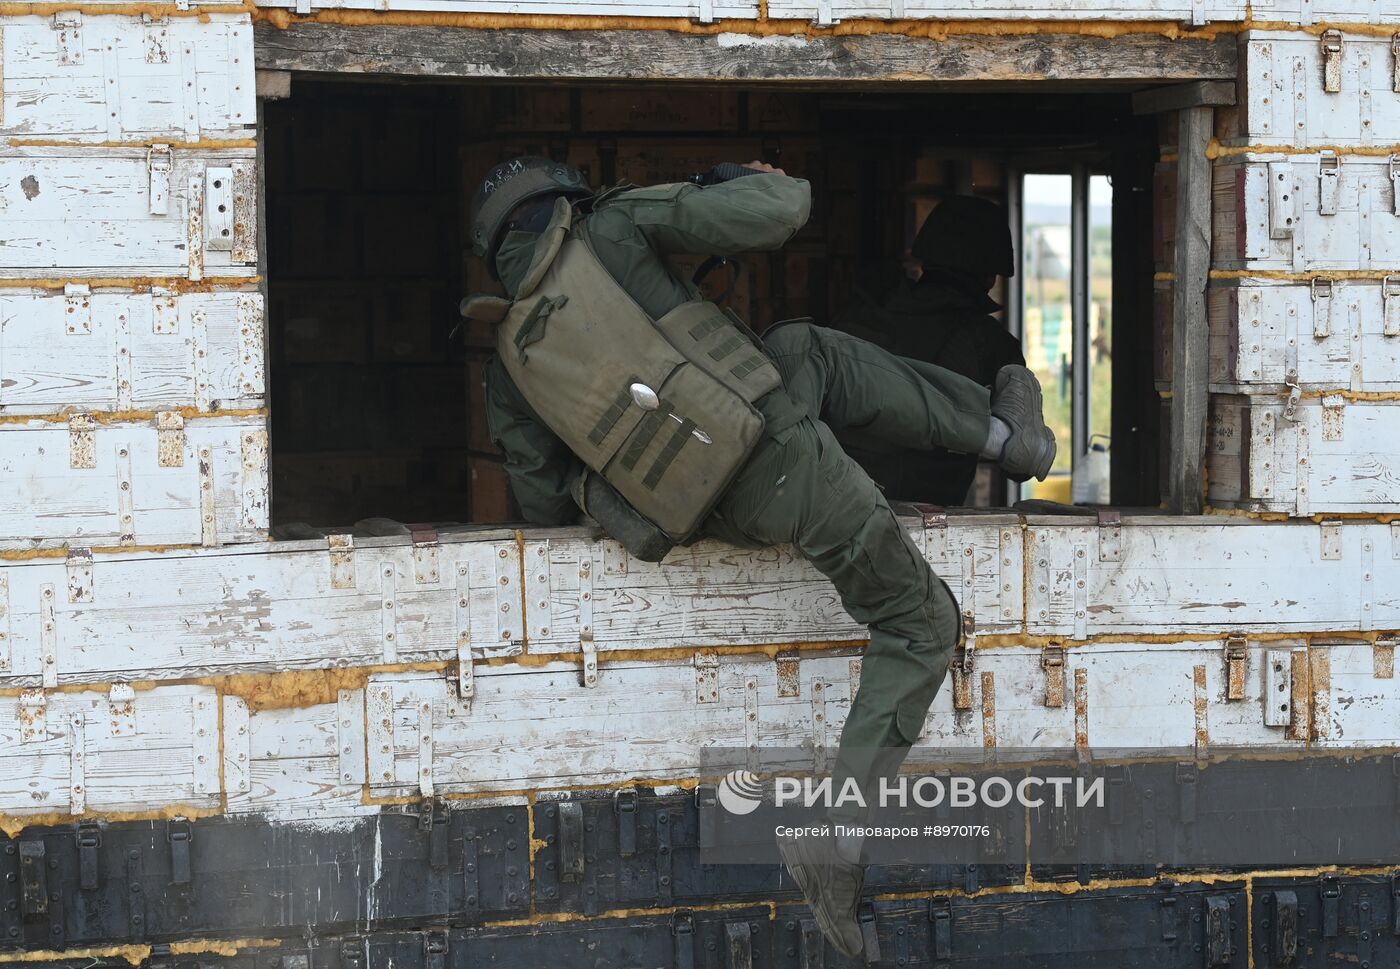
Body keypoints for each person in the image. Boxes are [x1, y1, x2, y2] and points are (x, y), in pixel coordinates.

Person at [464, 157, 1056, 956]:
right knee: (922, 622)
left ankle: (1003, 435)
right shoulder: (612, 224)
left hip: (699, 509)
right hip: (784, 460)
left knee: (804, 349)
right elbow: (782, 209)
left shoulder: (509, 357)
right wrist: (735, 174)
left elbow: (539, 500)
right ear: (561, 201)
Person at [834, 195, 1028, 505]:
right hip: (931, 522)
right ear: (991, 276)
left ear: (924, 260)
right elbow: (1026, 458)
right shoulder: (989, 344)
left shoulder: (862, 317)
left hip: (837, 505)